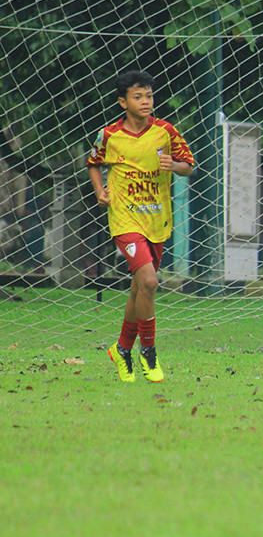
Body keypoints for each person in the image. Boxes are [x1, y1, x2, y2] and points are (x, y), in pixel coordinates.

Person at [86, 70, 194, 382]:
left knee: (139, 288)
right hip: (124, 218)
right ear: (123, 102)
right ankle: (149, 351)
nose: (145, 101)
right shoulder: (109, 135)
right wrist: (99, 191)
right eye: (138, 97)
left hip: (157, 218)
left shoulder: (166, 132)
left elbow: (188, 166)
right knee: (148, 281)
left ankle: (121, 349)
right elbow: (94, 164)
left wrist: (173, 165)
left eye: (148, 96)